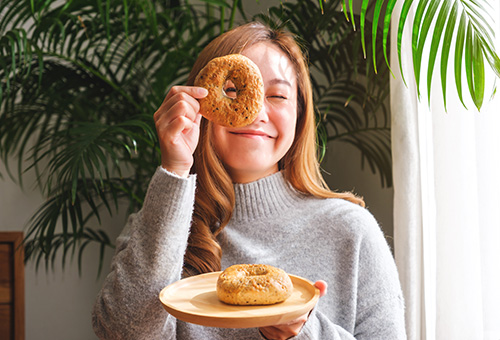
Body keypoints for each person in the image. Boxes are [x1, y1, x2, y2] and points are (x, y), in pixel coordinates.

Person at [92, 21, 406, 340]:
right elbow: (121, 332)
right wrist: (175, 168)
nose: (256, 111)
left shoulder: (351, 231)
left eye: (278, 95)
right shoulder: (161, 226)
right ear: (202, 104)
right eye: (233, 90)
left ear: (300, 114)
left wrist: (305, 331)